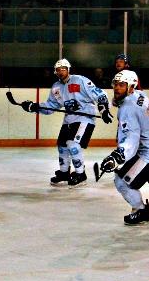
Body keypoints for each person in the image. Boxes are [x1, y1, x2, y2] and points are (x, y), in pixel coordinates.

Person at [21, 58, 113, 187]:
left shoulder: (80, 80)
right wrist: (34, 107)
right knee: (62, 145)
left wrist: (103, 109)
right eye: (58, 70)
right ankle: (64, 173)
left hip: (84, 118)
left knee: (73, 144)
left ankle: (80, 174)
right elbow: (51, 106)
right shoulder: (56, 87)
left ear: (68, 69)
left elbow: (98, 93)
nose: (61, 71)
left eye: (63, 69)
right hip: (69, 119)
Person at [100, 70, 149, 225]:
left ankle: (140, 211)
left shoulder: (128, 108)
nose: (117, 88)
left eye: (121, 85)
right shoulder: (140, 95)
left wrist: (118, 155)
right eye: (116, 85)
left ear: (131, 86)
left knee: (121, 181)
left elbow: (132, 138)